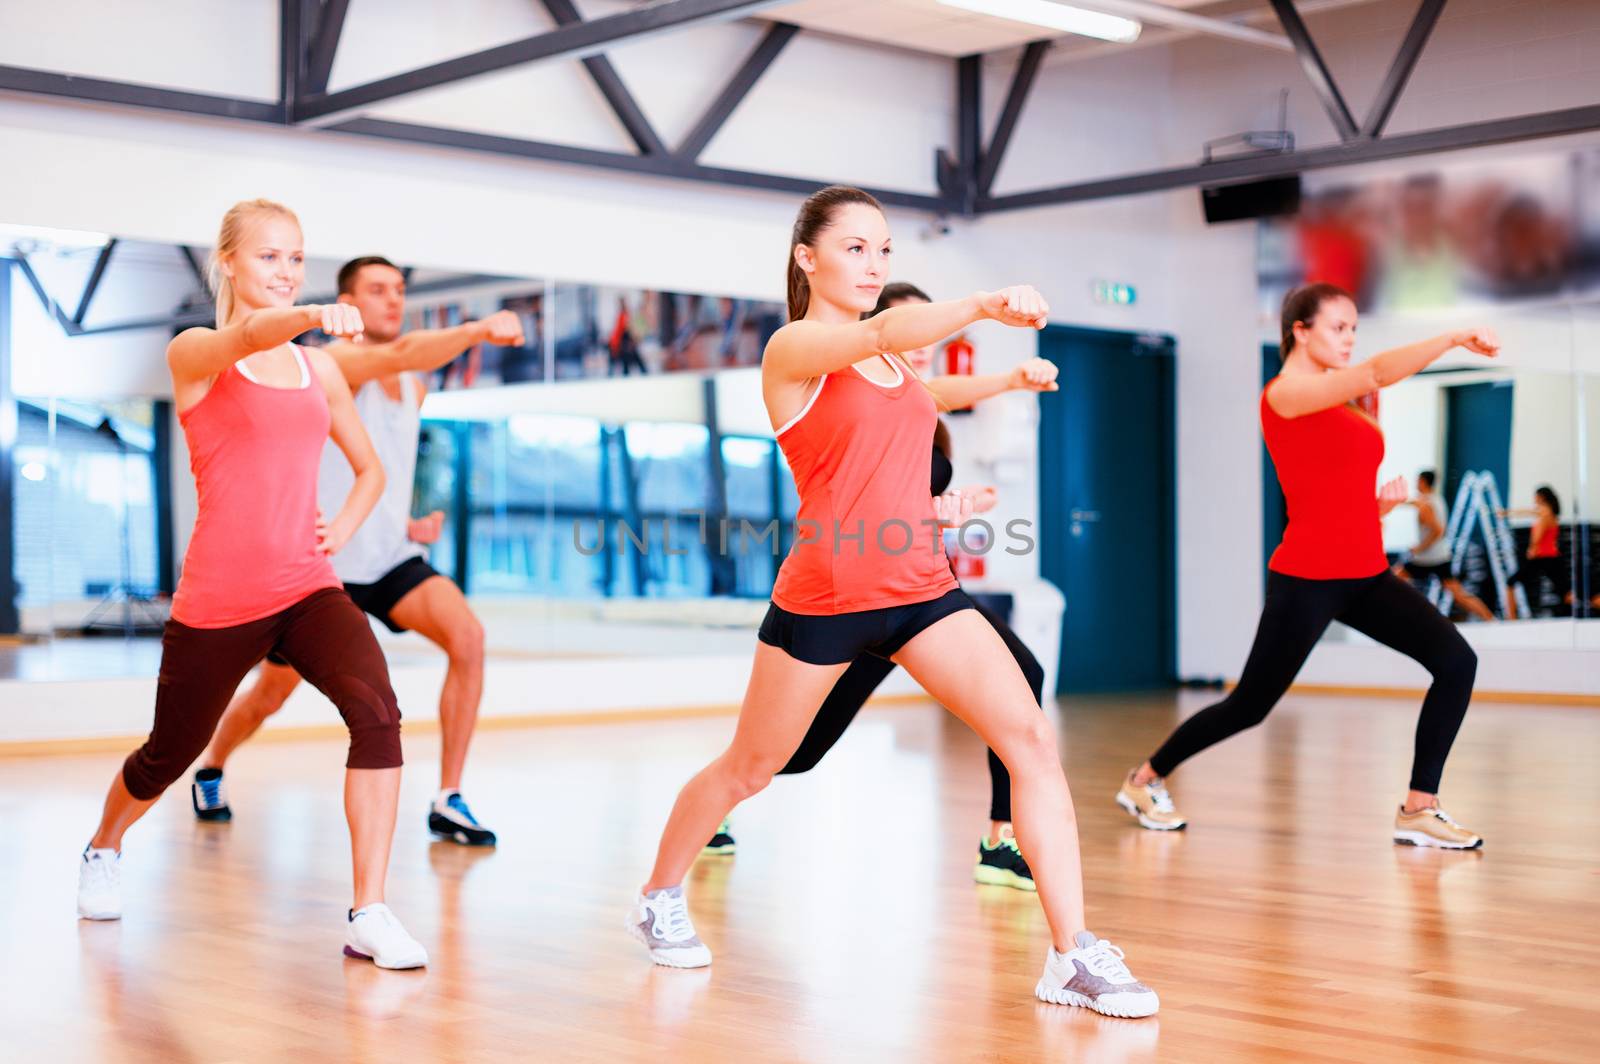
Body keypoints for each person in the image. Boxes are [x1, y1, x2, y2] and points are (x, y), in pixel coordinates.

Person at [626, 186, 1158, 1018]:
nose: (874, 266)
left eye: (885, 251)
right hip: (828, 596)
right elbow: (875, 334)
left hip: (921, 590)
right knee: (753, 767)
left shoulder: (891, 366)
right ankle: (659, 894)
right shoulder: (796, 347)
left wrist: (1009, 378)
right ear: (808, 258)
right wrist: (982, 302)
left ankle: (1073, 955)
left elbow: (917, 401)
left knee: (1030, 743)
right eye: (856, 249)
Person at [76, 199, 426, 968]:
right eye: (270, 257)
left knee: (377, 712)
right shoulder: (197, 352)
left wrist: (342, 524)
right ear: (229, 261)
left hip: (308, 587)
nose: (286, 271)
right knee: (170, 753)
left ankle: (369, 909)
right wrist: (306, 311)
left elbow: (369, 468)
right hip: (220, 599)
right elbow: (245, 335)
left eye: (296, 258)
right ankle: (104, 846)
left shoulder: (318, 366)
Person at [702, 281, 1057, 894]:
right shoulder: (851, 385)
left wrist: (1009, 386)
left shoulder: (917, 402)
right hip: (857, 595)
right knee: (801, 751)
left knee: (1025, 675)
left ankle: (1000, 839)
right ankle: (721, 794)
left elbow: (942, 396)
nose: (924, 345)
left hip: (925, 596)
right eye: (911, 329)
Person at [1117, 282, 1497, 850]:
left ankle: (1420, 807)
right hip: (1308, 579)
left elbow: (1330, 493)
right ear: (1300, 329)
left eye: (1353, 330)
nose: (1348, 339)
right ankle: (1144, 780)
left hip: (1365, 574)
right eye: (1337, 327)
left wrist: (1379, 508)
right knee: (1250, 706)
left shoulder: (1336, 404)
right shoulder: (1285, 395)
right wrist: (1451, 337)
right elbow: (1373, 375)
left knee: (1455, 661)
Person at [190, 256, 524, 847]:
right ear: (348, 301)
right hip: (323, 566)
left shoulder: (414, 387)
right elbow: (396, 354)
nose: (392, 300)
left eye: (398, 290)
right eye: (377, 291)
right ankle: (213, 765)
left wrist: (407, 519)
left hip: (390, 557)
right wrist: (476, 330)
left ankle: (449, 798)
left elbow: (383, 461)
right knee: (271, 693)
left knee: (468, 639)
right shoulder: (338, 363)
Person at [1402, 470, 1494, 622]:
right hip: (1439, 557)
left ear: (1423, 482)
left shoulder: (1426, 504)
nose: (1415, 484)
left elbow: (1438, 530)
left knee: (1393, 579)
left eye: (1417, 481)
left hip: (1426, 558)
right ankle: (1490, 618)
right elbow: (1412, 502)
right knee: (1458, 594)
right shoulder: (1435, 499)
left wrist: (1419, 548)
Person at [1500, 486, 1570, 619]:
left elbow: (1538, 535)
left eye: (1536, 496)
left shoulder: (1545, 512)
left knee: (1510, 582)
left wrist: (1532, 548)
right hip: (1549, 558)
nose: (1534, 499)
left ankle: (1511, 618)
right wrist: (1507, 513)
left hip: (1543, 557)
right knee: (1566, 594)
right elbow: (1526, 512)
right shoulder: (1548, 512)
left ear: (1541, 497)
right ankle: (1511, 618)